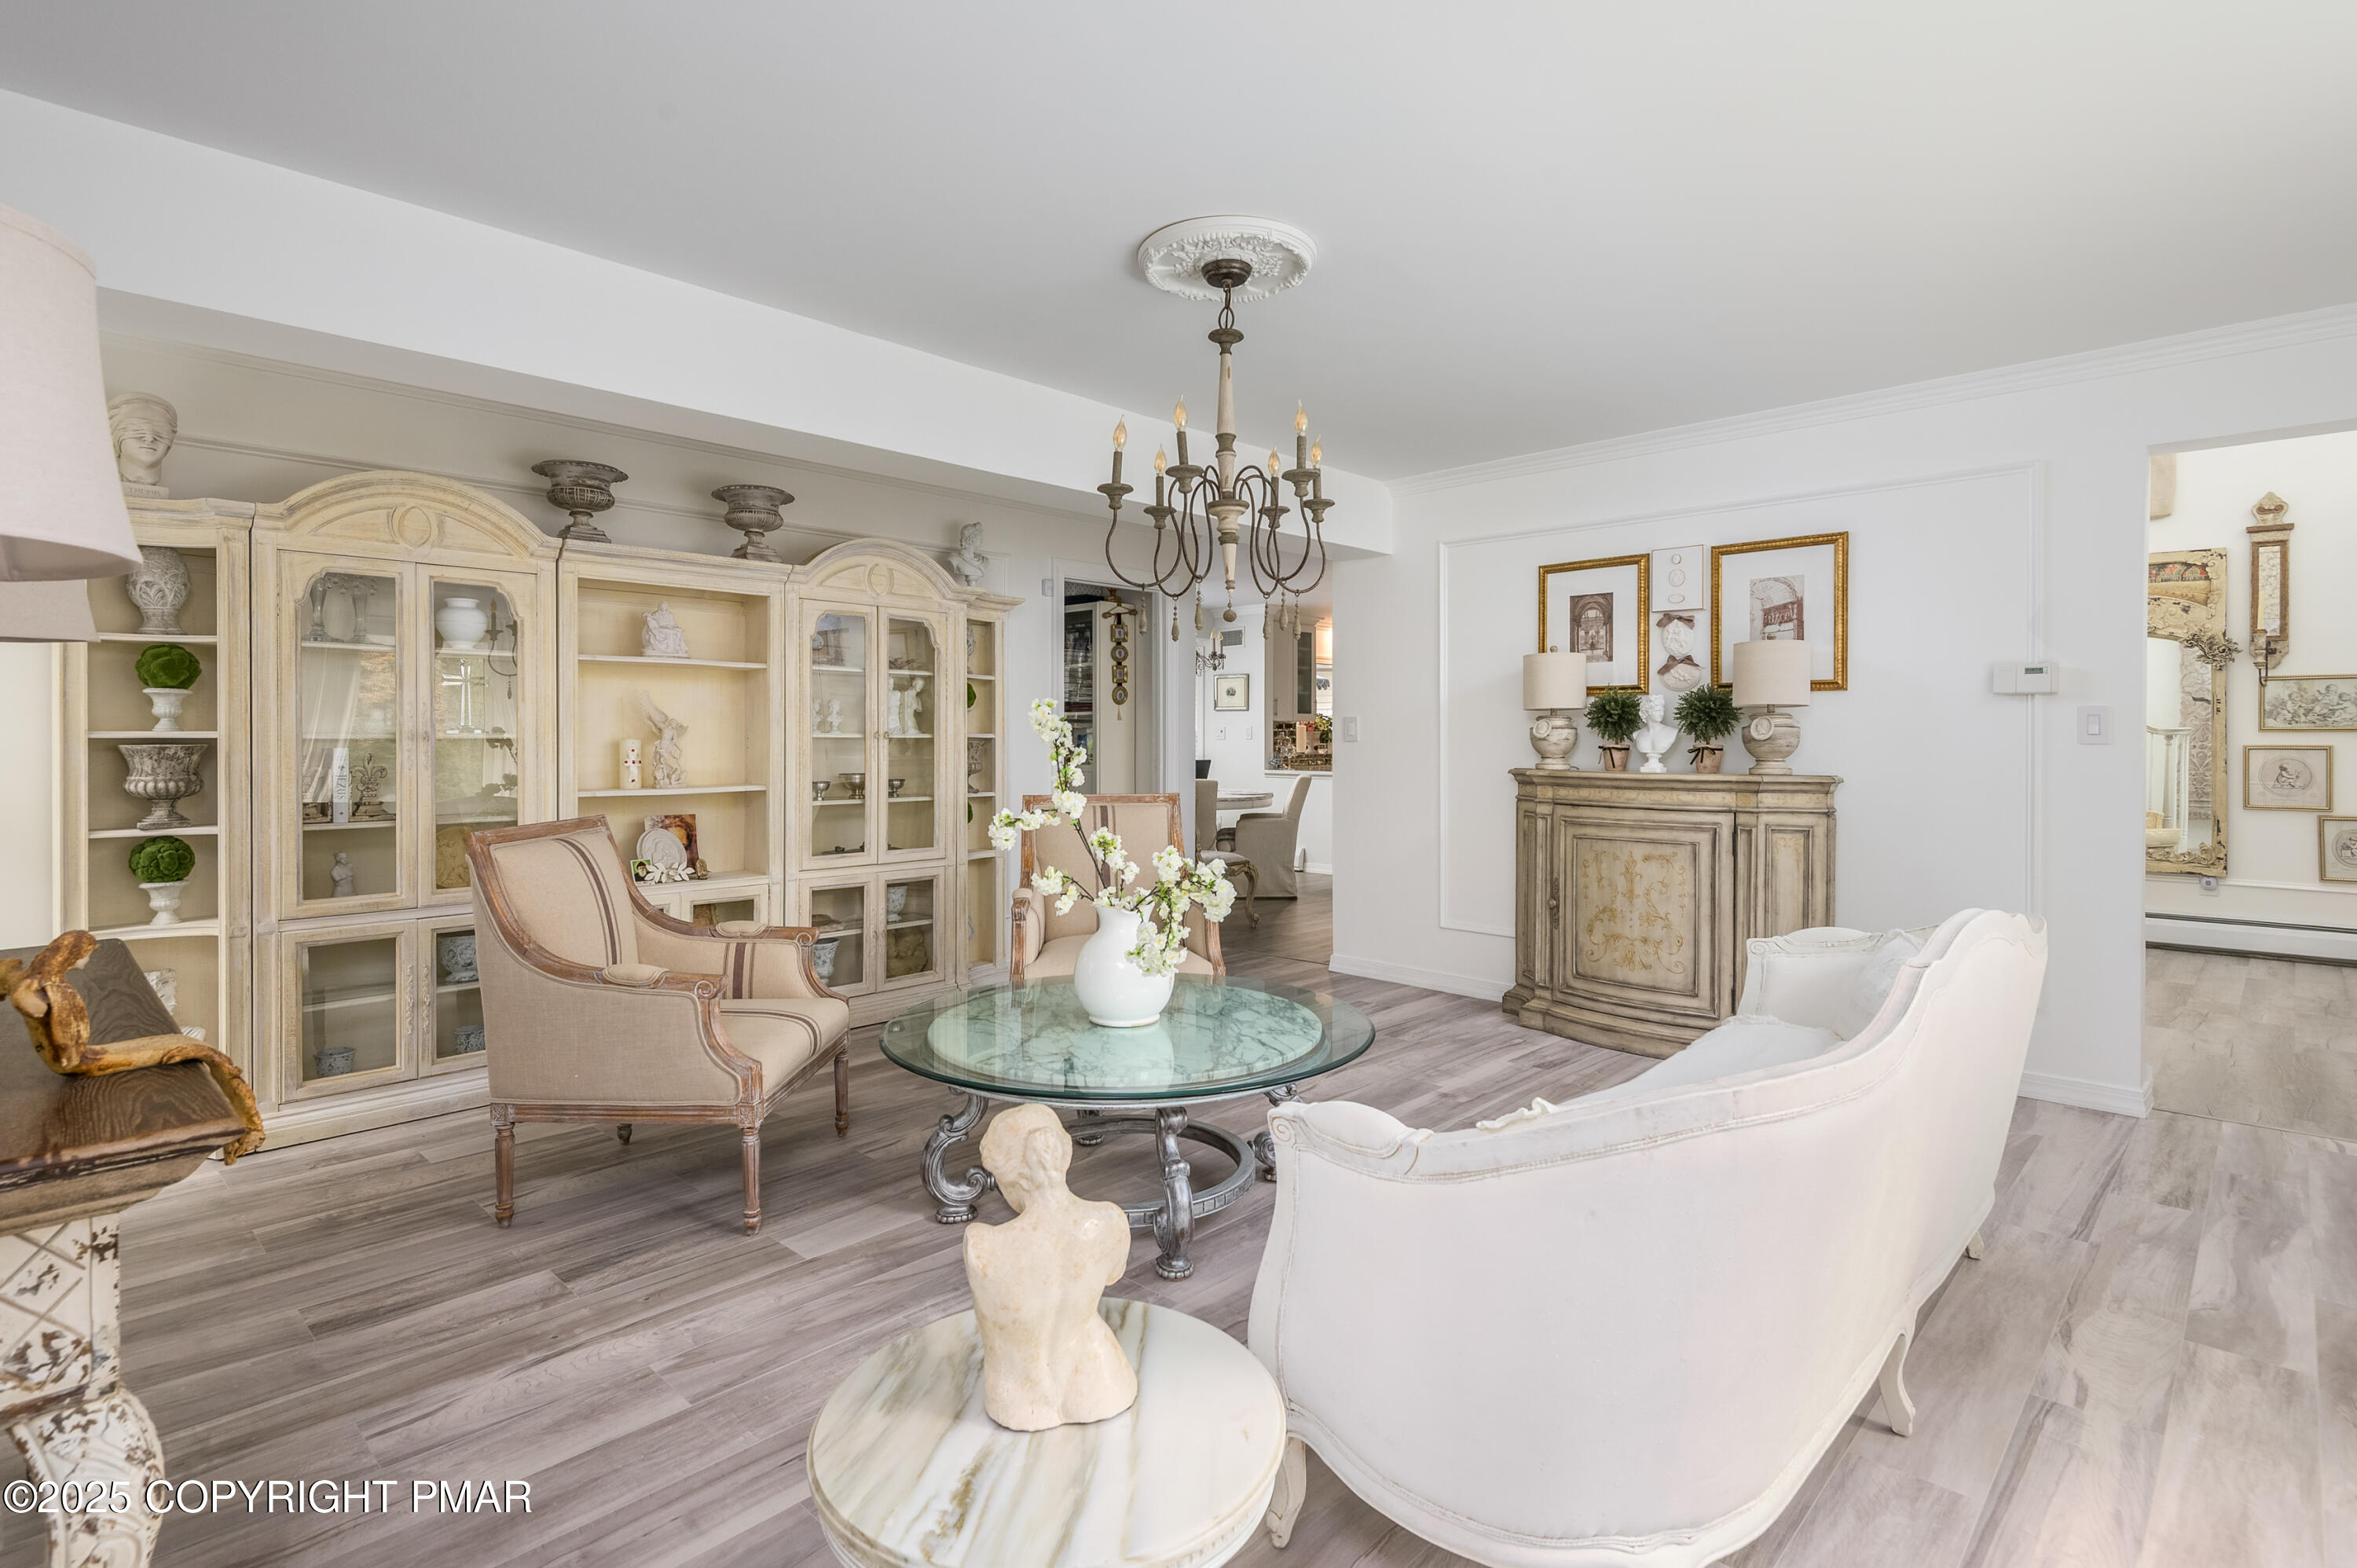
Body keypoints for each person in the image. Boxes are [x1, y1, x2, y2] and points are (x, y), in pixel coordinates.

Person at [962, 1105, 1135, 1431]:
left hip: (1018, 1400)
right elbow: (1112, 1275)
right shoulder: (1110, 1221)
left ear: (1008, 1175)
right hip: (1103, 1382)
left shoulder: (981, 1245)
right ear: (1064, 1154)